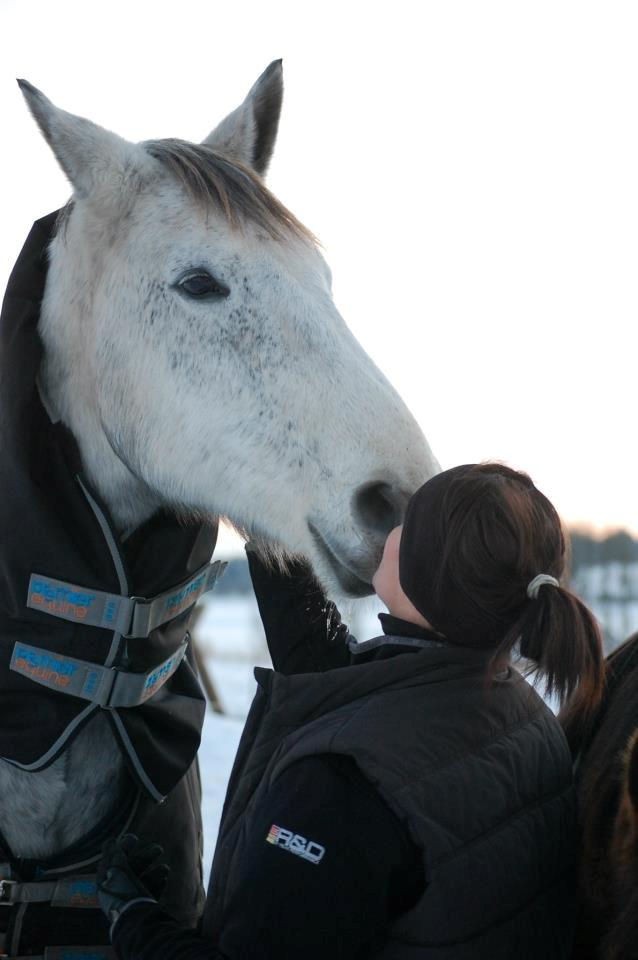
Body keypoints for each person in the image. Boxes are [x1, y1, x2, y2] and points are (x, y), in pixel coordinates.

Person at [97, 462, 606, 959]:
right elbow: (330, 676)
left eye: (409, 523)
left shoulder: (339, 790)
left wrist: (139, 922)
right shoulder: (513, 708)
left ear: (426, 571)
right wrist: (269, 514)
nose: (391, 528)